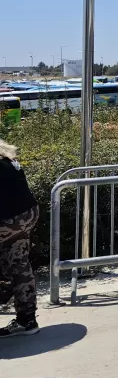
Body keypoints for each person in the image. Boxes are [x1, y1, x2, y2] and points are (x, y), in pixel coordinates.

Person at [0, 138, 39, 337]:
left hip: (7, 219)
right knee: (19, 264)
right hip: (27, 214)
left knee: (14, 266)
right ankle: (27, 321)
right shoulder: (7, 158)